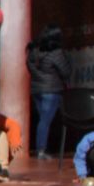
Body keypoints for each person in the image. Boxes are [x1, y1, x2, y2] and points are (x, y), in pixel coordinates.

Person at [27, 25, 69, 157]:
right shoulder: (56, 53)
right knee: (45, 120)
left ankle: (41, 148)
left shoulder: (33, 51)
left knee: (43, 120)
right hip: (51, 89)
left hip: (36, 89)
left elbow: (29, 67)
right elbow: (66, 71)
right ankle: (41, 150)